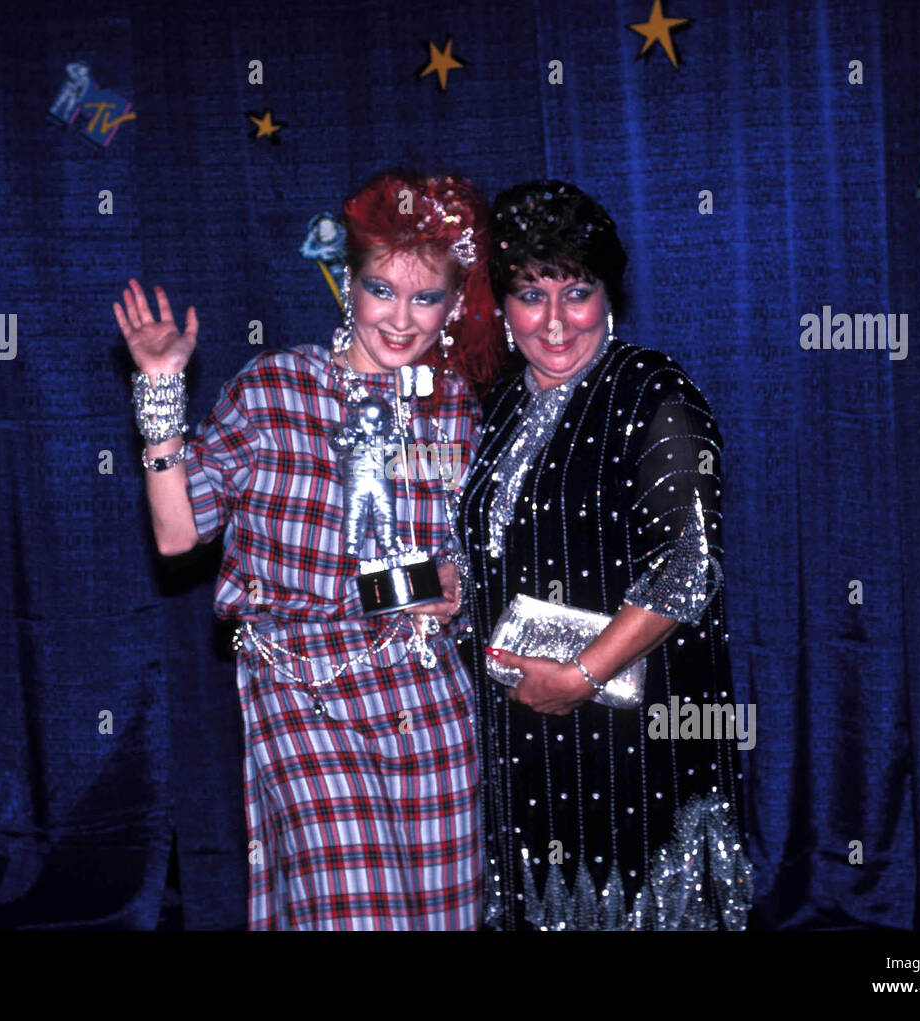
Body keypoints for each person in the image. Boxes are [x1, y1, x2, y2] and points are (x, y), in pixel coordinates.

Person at [113, 171, 504, 930]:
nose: (401, 318)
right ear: (347, 284)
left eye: (425, 297)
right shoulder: (273, 388)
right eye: (381, 289)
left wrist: (449, 579)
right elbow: (176, 533)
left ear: (453, 304)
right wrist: (160, 401)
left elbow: (460, 572)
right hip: (303, 691)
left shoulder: (454, 406)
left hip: (427, 700)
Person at [457, 180, 754, 930]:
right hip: (521, 734)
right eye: (530, 293)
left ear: (608, 294)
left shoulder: (655, 392)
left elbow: (689, 564)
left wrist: (583, 675)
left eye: (576, 291)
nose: (554, 321)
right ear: (503, 303)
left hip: (636, 736)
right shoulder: (494, 406)